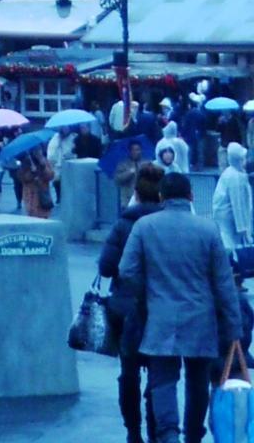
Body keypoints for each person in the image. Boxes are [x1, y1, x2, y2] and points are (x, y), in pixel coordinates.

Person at [119, 170, 242, 443]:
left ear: (161, 196)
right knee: (197, 381)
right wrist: (233, 326)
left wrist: (146, 292)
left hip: (159, 316)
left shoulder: (144, 227)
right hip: (201, 317)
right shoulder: (208, 229)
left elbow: (126, 270)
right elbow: (224, 283)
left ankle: (168, 434)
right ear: (191, 196)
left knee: (163, 380)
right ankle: (194, 435)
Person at [99, 161, 163, 443]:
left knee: (129, 373)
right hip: (161, 306)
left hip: (126, 307)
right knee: (160, 373)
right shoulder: (167, 223)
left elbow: (106, 267)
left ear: (136, 192)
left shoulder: (124, 223)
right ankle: (156, 428)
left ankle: (133, 431)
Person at [212, 142, 254, 257]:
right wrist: (244, 230)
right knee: (233, 250)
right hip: (230, 224)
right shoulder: (235, 178)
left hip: (226, 222)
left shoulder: (230, 173)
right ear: (239, 160)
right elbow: (238, 206)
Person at [19, 148, 55, 218]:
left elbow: (50, 176)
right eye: (36, 151)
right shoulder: (26, 162)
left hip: (43, 194)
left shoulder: (44, 161)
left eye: (39, 150)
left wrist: (43, 166)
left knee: (44, 216)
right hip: (31, 195)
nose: (38, 153)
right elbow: (23, 178)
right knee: (33, 217)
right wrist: (32, 172)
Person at [115, 140, 147, 210]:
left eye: (137, 150)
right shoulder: (122, 164)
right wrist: (129, 172)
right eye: (133, 150)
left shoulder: (147, 163)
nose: (135, 152)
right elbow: (118, 180)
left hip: (144, 199)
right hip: (127, 200)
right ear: (129, 151)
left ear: (141, 151)